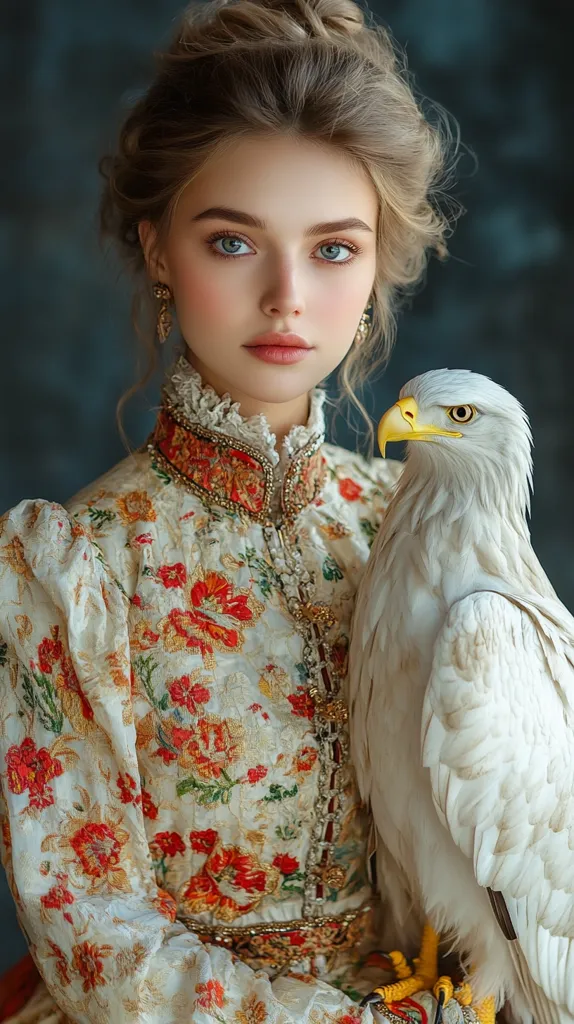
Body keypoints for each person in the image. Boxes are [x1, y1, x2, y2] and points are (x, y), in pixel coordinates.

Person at [0, 0, 476, 1020]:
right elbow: (94, 930)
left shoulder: (412, 520)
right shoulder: (74, 563)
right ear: (158, 249)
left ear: (377, 266)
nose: (286, 295)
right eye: (231, 242)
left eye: (333, 249)